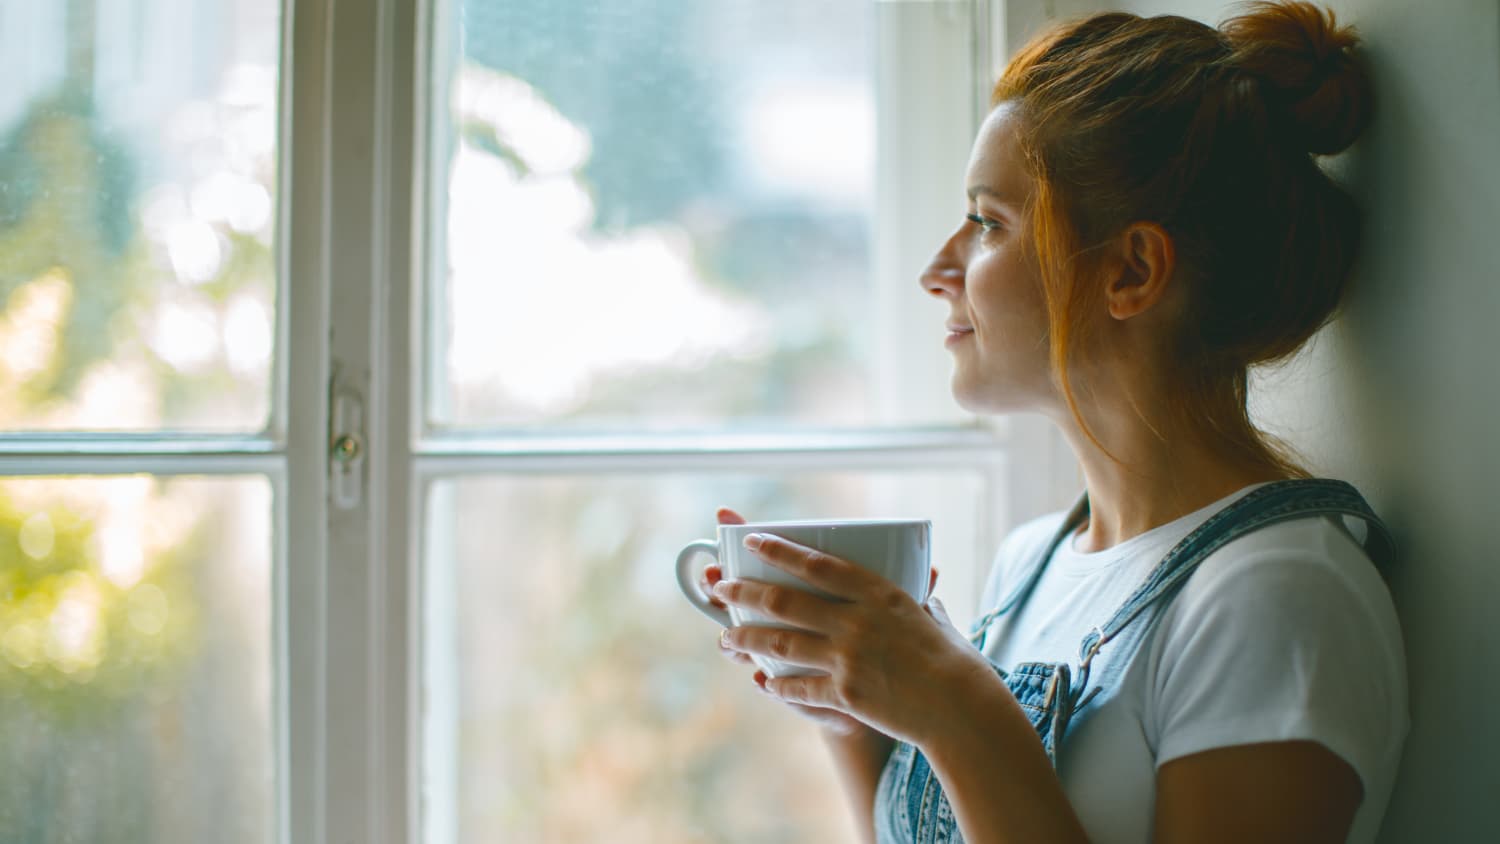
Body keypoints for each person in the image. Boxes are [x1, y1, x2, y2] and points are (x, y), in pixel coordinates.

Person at [695, 2, 1408, 842]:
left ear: (1132, 270)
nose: (937, 271)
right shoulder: (1029, 565)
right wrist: (847, 700)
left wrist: (959, 712)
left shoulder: (1278, 596)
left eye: (989, 221)